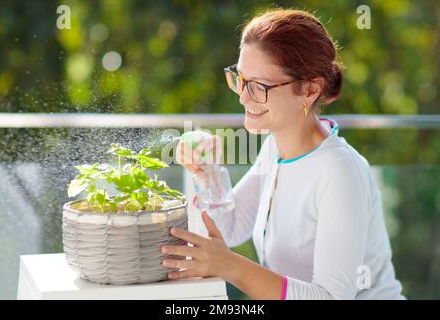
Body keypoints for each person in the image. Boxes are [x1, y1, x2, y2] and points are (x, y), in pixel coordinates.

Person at [161, 8, 405, 300]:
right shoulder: (275, 148)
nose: (243, 96)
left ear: (310, 89)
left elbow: (331, 297)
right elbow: (233, 226)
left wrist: (230, 266)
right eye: (240, 78)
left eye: (259, 87)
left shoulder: (340, 171)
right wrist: (209, 171)